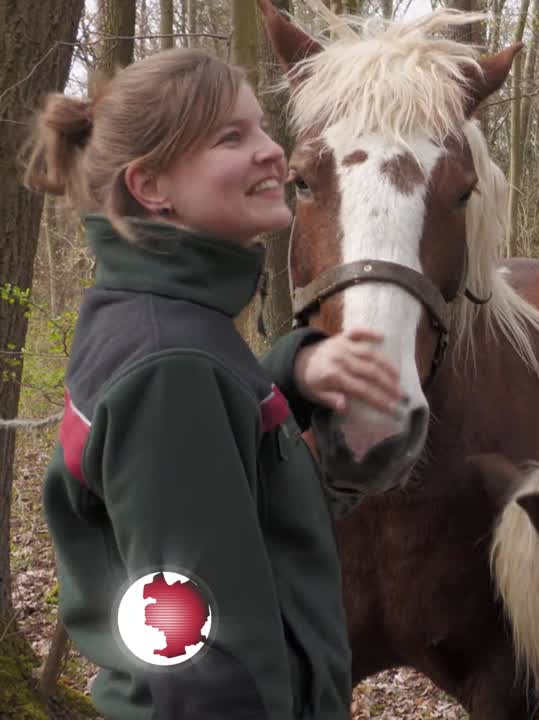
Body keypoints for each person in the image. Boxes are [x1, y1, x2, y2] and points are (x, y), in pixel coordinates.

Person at [22, 48, 406, 719]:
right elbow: (206, 660)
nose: (274, 152)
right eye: (232, 137)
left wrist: (292, 371)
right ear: (151, 187)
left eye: (261, 127)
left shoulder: (146, 319)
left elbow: (212, 462)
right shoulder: (175, 368)